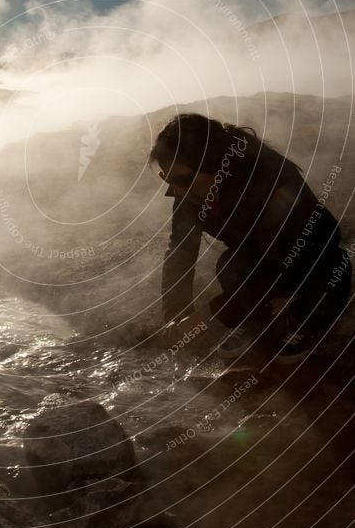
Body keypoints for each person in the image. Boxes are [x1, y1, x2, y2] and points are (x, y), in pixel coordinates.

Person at [149, 113, 352, 364]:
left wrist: (207, 315)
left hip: (309, 258)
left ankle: (307, 318)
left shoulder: (270, 178)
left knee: (306, 282)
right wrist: (177, 316)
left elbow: (279, 259)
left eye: (180, 179)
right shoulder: (188, 192)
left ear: (214, 163)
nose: (175, 189)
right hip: (258, 257)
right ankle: (258, 320)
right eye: (166, 178)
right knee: (231, 264)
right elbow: (181, 250)